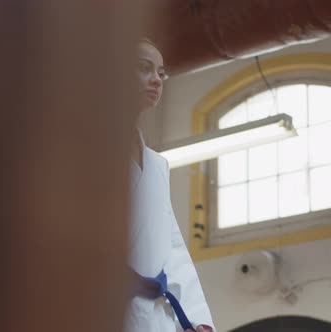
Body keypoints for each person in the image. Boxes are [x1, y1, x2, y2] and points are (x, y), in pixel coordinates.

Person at [125, 38, 215, 332]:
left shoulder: (157, 166)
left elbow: (172, 247)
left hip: (156, 315)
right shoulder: (87, 151)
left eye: (161, 73)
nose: (156, 80)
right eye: (144, 68)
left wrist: (195, 317)